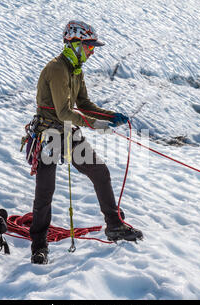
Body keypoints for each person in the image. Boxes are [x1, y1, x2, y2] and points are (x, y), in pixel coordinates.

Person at [29, 20, 143, 264]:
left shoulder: (75, 69)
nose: (92, 52)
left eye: (92, 47)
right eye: (89, 46)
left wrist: (110, 116)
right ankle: (39, 246)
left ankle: (114, 225)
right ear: (75, 43)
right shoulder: (58, 69)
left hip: (66, 133)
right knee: (45, 193)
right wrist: (95, 124)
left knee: (100, 173)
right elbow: (63, 112)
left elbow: (84, 105)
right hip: (48, 135)